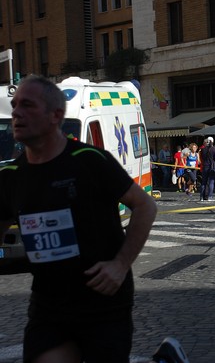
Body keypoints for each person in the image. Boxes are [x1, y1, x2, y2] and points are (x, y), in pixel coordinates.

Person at [0, 75, 157, 363]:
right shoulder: (10, 177)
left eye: (28, 105)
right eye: (15, 105)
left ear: (55, 116)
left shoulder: (89, 160)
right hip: (49, 307)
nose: (17, 113)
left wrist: (120, 265)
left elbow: (145, 205)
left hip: (103, 303)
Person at [200, 136, 215, 202]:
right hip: (211, 167)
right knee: (211, 182)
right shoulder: (213, 149)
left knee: (203, 182)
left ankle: (201, 197)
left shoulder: (203, 149)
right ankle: (210, 196)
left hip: (205, 166)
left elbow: (202, 157)